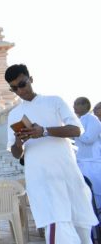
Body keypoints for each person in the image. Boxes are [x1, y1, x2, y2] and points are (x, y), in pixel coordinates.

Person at [5, 64, 98, 243]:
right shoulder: (14, 114)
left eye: (22, 84)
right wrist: (18, 142)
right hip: (41, 178)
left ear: (31, 79)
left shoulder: (54, 101)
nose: (19, 91)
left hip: (67, 173)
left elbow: (77, 130)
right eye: (14, 88)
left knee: (81, 227)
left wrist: (45, 131)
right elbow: (16, 154)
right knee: (57, 226)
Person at [73, 97, 101, 206]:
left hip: (93, 164)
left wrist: (76, 132)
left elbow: (89, 139)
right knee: (88, 197)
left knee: (97, 195)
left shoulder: (92, 119)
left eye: (77, 104)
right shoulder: (79, 121)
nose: (74, 107)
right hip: (82, 164)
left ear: (85, 105)